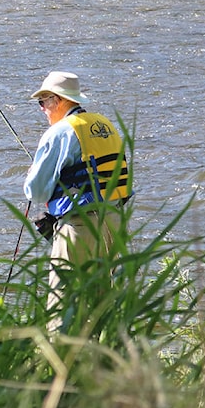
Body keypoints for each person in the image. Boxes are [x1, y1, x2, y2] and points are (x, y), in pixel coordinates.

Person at [23, 71, 132, 327]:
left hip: (80, 226)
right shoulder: (105, 125)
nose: (42, 109)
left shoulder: (60, 132)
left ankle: (61, 363)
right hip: (115, 222)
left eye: (44, 101)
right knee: (101, 303)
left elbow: (35, 191)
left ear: (58, 100)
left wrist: (31, 176)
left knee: (63, 307)